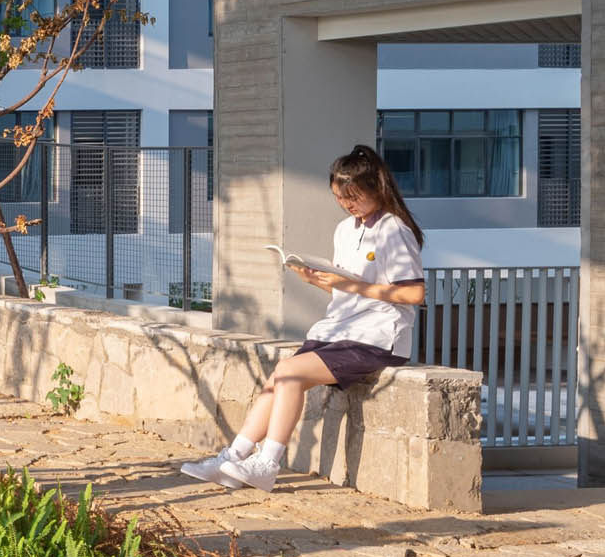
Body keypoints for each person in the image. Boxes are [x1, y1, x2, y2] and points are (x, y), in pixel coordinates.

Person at [182, 144, 426, 490]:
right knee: (277, 379)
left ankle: (267, 463)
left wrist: (349, 285)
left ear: (377, 188)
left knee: (287, 372)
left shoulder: (393, 230)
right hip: (339, 330)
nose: (347, 204)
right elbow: (349, 289)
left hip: (376, 338)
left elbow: (413, 293)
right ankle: (233, 458)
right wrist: (320, 281)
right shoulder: (345, 230)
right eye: (340, 197)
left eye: (353, 196)